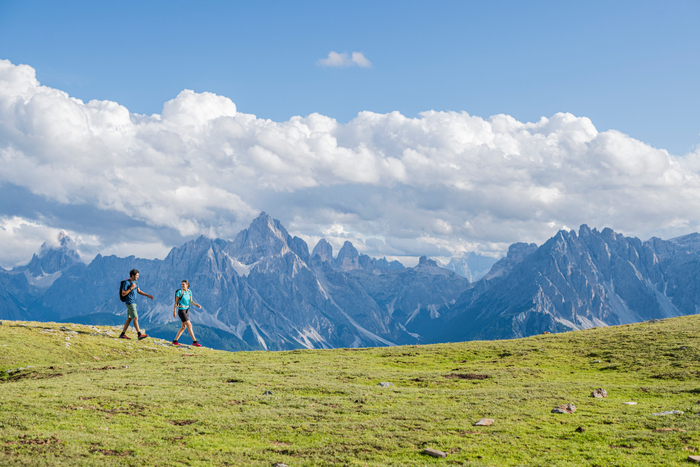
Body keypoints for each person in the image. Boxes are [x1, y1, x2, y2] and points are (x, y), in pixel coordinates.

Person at [120, 269, 153, 340]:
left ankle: (122, 334)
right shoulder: (126, 283)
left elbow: (139, 291)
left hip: (133, 302)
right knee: (136, 318)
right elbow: (123, 293)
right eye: (137, 275)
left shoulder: (135, 282)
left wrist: (148, 295)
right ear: (133, 275)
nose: (138, 277)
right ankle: (139, 334)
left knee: (129, 319)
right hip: (130, 302)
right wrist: (131, 288)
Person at [172, 279, 202, 347]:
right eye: (181, 284)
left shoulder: (189, 292)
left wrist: (197, 305)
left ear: (187, 285)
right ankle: (194, 341)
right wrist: (174, 311)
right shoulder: (179, 292)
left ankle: (175, 341)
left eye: (184, 284)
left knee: (183, 327)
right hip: (181, 311)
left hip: (187, 310)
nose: (182, 285)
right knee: (189, 325)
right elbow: (176, 302)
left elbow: (191, 301)